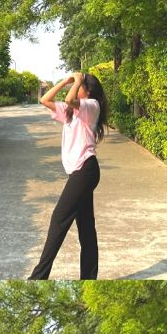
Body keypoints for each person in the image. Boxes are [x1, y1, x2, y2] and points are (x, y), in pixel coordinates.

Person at [28, 71, 107, 280]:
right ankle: (89, 277)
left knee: (59, 219)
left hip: (85, 170)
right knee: (86, 229)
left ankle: (38, 277)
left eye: (79, 85)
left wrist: (79, 80)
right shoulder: (70, 113)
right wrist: (66, 81)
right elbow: (45, 99)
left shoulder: (91, 105)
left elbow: (71, 99)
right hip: (80, 172)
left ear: (87, 89)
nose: (76, 86)